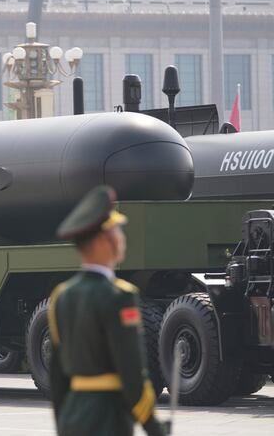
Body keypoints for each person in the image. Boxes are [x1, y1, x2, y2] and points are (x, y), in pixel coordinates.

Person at [49, 185, 167, 436]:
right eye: (118, 231)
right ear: (104, 240)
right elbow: (132, 372)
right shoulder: (119, 296)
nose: (122, 238)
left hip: (73, 417)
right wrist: (154, 428)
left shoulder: (61, 296)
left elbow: (57, 377)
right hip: (108, 419)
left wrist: (64, 424)